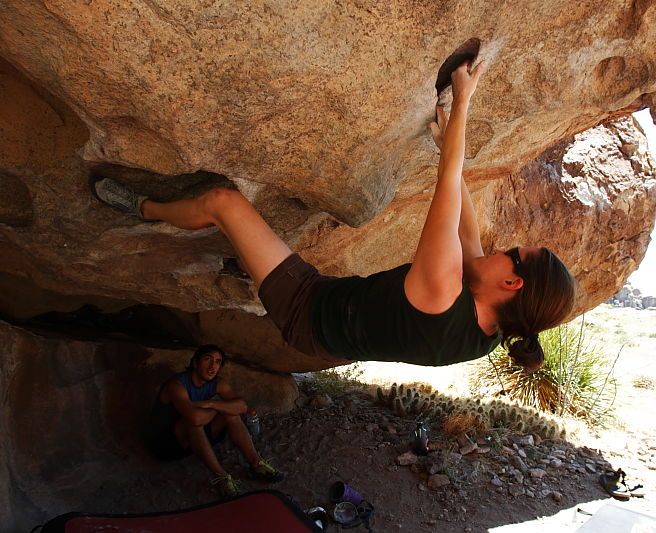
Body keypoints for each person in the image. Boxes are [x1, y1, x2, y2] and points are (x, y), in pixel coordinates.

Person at [93, 61, 576, 372]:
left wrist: (464, 102)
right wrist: (444, 141)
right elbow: (466, 228)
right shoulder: (487, 326)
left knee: (225, 203)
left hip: (308, 310)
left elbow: (447, 190)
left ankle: (145, 208)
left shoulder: (441, 293)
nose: (498, 250)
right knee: (248, 237)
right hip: (339, 331)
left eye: (512, 255)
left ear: (513, 284)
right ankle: (244, 263)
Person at [146, 344, 284, 498]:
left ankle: (256, 464)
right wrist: (221, 407)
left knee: (231, 414)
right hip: (166, 445)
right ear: (195, 363)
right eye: (208, 359)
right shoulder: (177, 385)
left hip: (194, 441)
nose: (213, 366)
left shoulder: (218, 383)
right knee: (196, 423)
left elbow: (241, 406)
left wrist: (211, 404)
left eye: (218, 362)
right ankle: (221, 478)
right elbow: (195, 418)